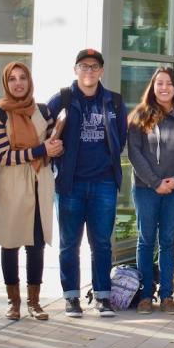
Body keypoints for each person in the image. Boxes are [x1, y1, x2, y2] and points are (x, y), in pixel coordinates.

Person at [46, 49, 127, 318]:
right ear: (75, 70)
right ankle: (71, 298)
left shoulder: (113, 101)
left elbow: (121, 137)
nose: (89, 71)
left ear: (101, 71)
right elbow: (45, 132)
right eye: (84, 66)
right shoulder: (63, 99)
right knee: (69, 243)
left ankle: (103, 297)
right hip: (70, 184)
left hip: (103, 182)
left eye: (94, 66)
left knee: (101, 243)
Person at [127, 67, 174, 316]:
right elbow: (134, 153)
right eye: (159, 83)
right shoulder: (139, 116)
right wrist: (155, 181)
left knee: (168, 241)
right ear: (153, 86)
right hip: (146, 189)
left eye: (169, 83)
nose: (164, 88)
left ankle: (167, 295)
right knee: (146, 240)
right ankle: (146, 295)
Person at [0, 62, 59, 321]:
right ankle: (14, 302)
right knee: (10, 243)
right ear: (6, 83)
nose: (18, 83)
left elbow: (54, 145)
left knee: (36, 244)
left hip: (40, 181)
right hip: (12, 184)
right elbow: (4, 155)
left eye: (23, 78)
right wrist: (41, 150)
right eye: (13, 79)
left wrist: (54, 148)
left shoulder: (43, 111)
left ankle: (34, 302)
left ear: (30, 81)